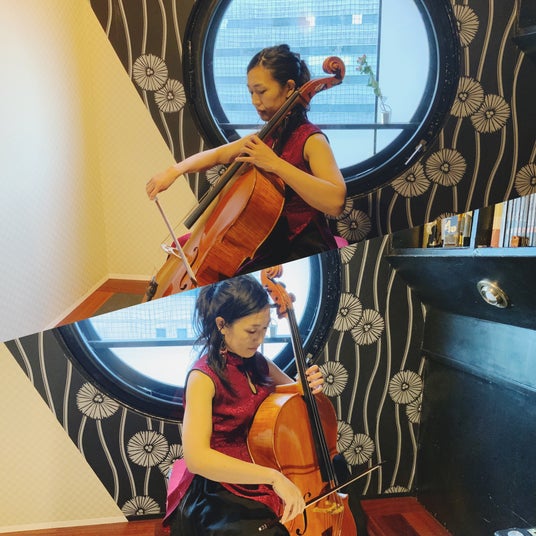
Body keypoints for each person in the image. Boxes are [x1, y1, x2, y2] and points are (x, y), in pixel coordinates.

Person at [146, 44, 347, 277]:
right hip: (263, 238)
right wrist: (174, 170)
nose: (254, 100)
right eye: (250, 92)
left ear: (290, 88)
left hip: (299, 244)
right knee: (183, 248)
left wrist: (275, 164)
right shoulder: (266, 137)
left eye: (261, 91)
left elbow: (336, 201)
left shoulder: (311, 140)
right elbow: (217, 155)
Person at [164, 274, 325, 535]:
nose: (259, 339)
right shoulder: (202, 377)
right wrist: (273, 477)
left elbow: (295, 398)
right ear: (222, 325)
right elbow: (197, 459)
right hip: (220, 482)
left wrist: (308, 385)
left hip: (264, 465)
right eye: (252, 331)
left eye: (265, 329)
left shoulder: (257, 362)